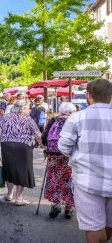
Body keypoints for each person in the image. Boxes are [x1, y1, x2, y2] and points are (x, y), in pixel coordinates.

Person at [58, 79, 112, 243]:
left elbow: (64, 147)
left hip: (87, 179)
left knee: (94, 226)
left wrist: (78, 156)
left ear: (89, 95)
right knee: (109, 223)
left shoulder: (77, 118)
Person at [0, 100, 41, 206]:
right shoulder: (28, 119)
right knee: (22, 170)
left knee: (9, 169)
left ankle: (9, 194)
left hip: (7, 146)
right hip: (23, 147)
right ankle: (19, 198)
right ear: (23, 108)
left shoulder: (5, 117)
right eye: (28, 108)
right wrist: (45, 146)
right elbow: (38, 136)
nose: (29, 110)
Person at [42, 102, 76, 219]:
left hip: (54, 156)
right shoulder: (74, 121)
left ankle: (55, 203)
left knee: (55, 179)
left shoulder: (53, 120)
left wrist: (48, 147)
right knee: (69, 181)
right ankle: (69, 208)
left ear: (60, 111)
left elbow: (44, 137)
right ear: (72, 112)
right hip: (69, 157)